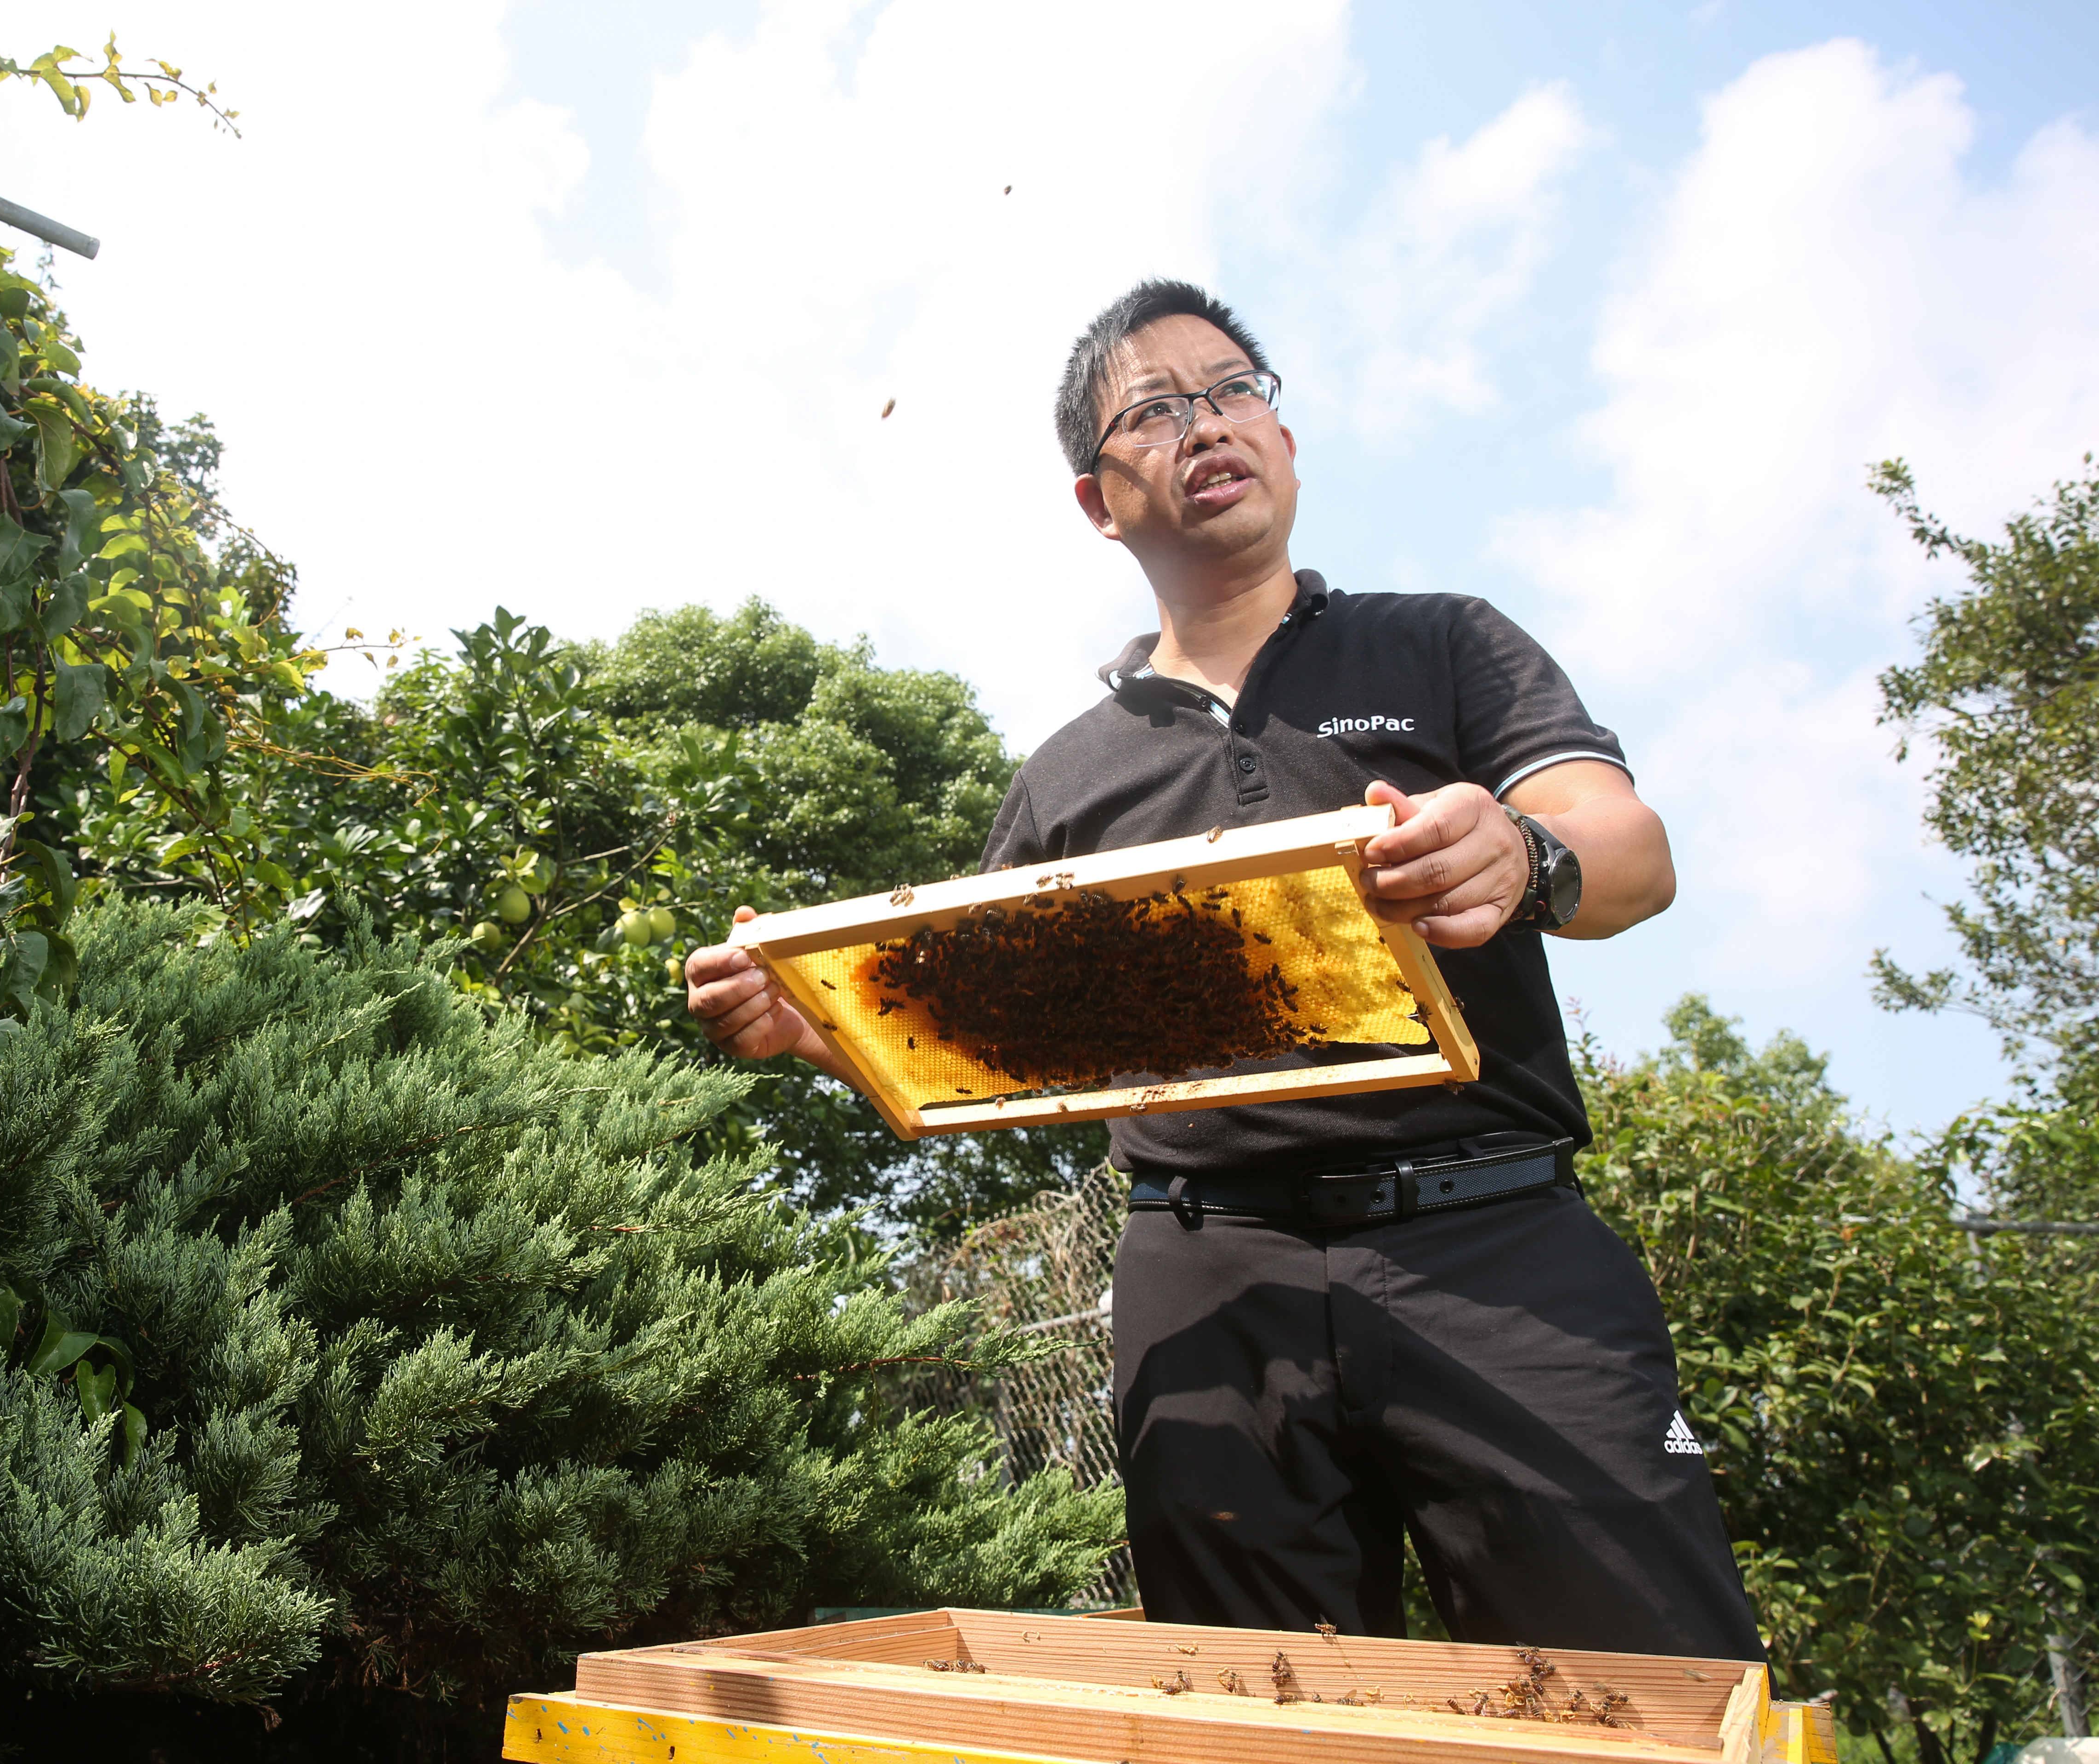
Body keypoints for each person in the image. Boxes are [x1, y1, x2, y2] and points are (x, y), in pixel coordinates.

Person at [683, 279, 1764, 1660]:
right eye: (1155, 408)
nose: (1207, 422)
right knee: (1252, 1712)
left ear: (1287, 440)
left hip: (1500, 1244)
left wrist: (1526, 854)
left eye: (1235, 388)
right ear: (1097, 499)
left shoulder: (1446, 644)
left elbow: (1632, 853)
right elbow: (987, 1042)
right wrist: (817, 1023)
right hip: (1206, 1276)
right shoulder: (1067, 777)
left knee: (1654, 1683)